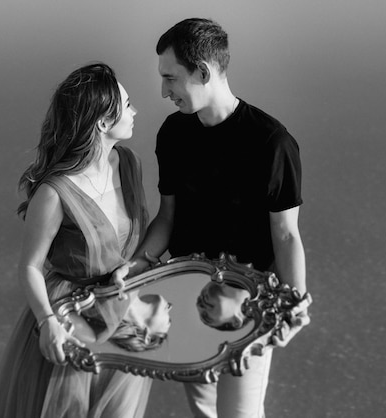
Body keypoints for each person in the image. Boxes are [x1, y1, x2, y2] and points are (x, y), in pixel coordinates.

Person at [115, 18, 311, 418]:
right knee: (203, 411)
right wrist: (137, 264)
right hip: (184, 304)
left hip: (247, 310)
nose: (163, 91)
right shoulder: (172, 133)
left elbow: (286, 236)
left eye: (171, 78)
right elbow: (167, 218)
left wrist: (293, 303)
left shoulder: (273, 143)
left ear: (203, 71)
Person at [0, 62, 156, 418]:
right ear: (103, 123)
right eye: (128, 104)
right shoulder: (54, 192)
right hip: (72, 320)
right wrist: (48, 323)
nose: (136, 111)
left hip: (124, 314)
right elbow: (30, 266)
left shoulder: (129, 163)